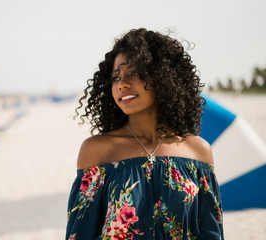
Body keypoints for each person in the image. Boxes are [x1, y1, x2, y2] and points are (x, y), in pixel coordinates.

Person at [66, 28, 224, 240]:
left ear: (162, 76)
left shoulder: (197, 151)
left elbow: (211, 233)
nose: (122, 84)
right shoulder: (97, 151)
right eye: (115, 77)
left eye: (134, 73)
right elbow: (80, 234)